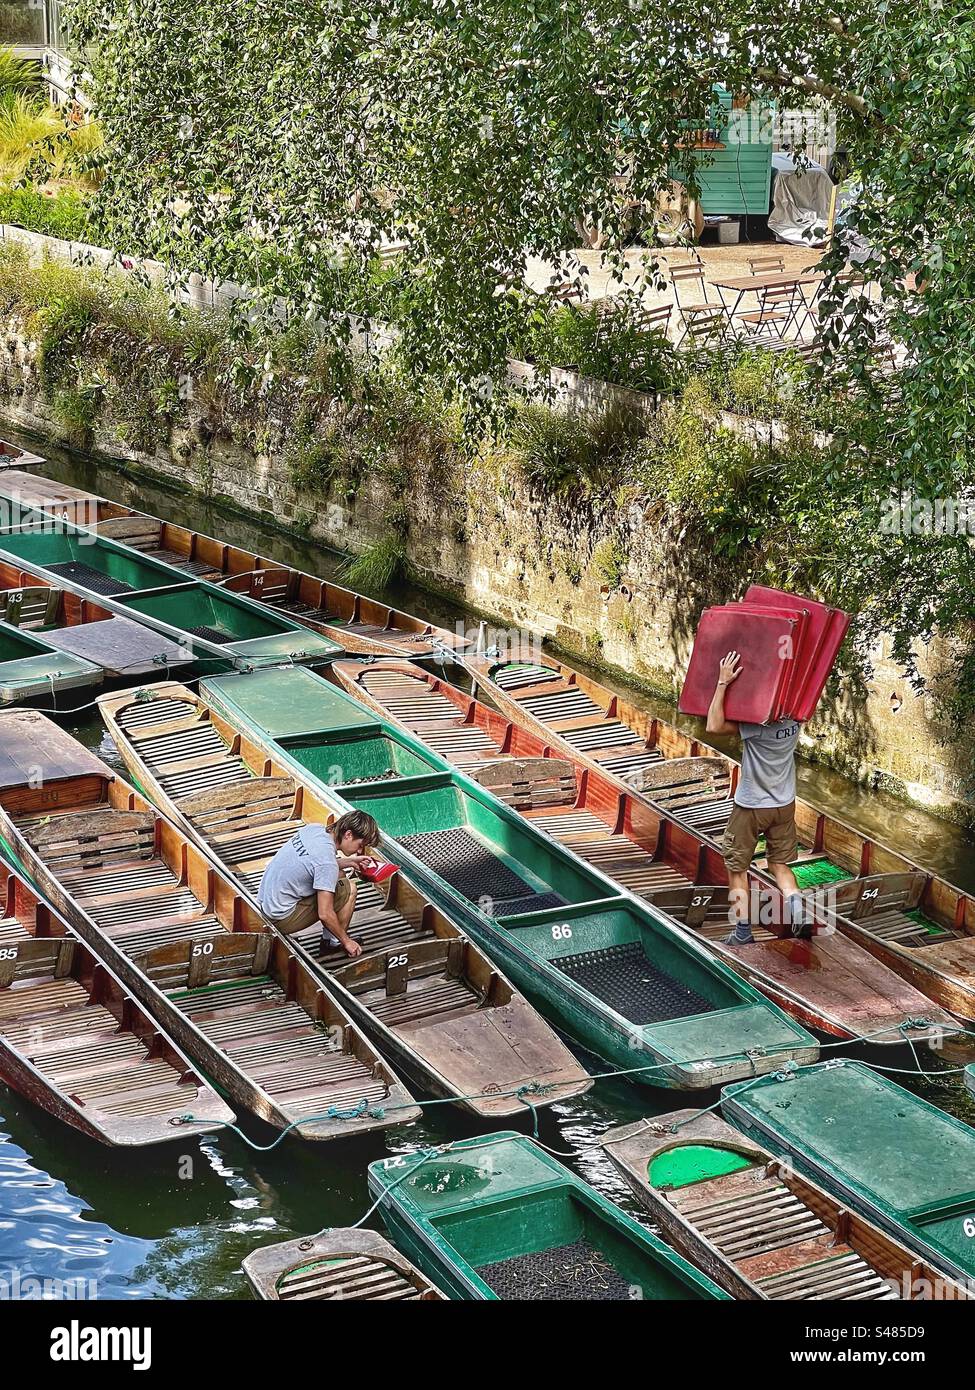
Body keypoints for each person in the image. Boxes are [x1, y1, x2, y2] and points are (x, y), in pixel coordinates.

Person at [706, 649, 810, 945]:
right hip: (784, 803)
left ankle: (742, 933)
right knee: (779, 864)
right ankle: (798, 913)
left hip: (751, 806)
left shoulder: (757, 724)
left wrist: (723, 682)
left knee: (736, 868)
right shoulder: (795, 719)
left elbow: (713, 725)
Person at [258, 810, 381, 957]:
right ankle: (333, 942)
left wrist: (349, 862)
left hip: (264, 902)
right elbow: (325, 913)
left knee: (339, 875)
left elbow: (315, 863)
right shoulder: (326, 862)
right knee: (349, 889)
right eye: (360, 845)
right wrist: (347, 941)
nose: (360, 851)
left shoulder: (314, 829)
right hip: (279, 918)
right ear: (348, 834)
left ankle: (332, 939)